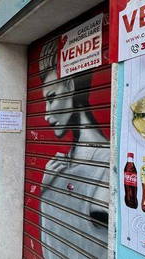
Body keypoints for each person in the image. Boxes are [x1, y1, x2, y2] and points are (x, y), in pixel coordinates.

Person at [37, 40, 109, 258]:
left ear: (70, 86)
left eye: (51, 99)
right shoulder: (62, 162)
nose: (46, 115)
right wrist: (47, 186)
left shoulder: (105, 164)